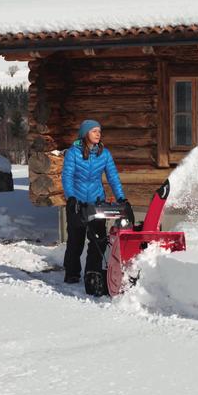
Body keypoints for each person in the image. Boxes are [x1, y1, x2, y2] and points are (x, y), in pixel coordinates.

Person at [61, 119, 126, 290]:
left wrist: (121, 198)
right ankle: (72, 272)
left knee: (99, 240)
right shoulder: (73, 153)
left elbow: (113, 177)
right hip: (77, 203)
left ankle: (92, 272)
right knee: (76, 240)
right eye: (94, 131)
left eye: (99, 131)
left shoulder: (104, 153)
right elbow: (67, 177)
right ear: (85, 134)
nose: (98, 134)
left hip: (97, 202)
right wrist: (72, 198)